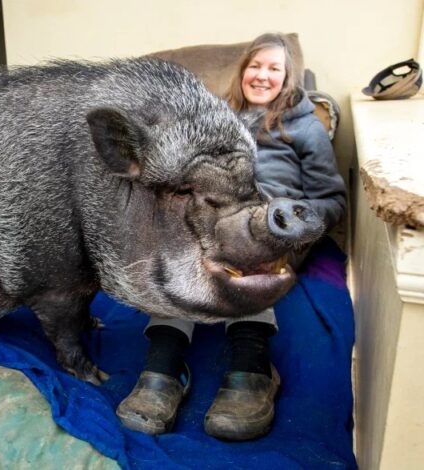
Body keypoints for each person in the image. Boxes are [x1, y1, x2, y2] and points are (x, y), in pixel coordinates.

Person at [116, 33, 346, 441]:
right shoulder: (215, 119)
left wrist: (295, 221)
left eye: (274, 69)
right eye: (255, 66)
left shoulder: (307, 128)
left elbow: (330, 199)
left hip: (273, 226)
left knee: (247, 259)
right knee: (181, 255)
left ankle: (252, 368)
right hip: (218, 216)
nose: (262, 76)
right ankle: (164, 368)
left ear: (288, 78)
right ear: (242, 72)